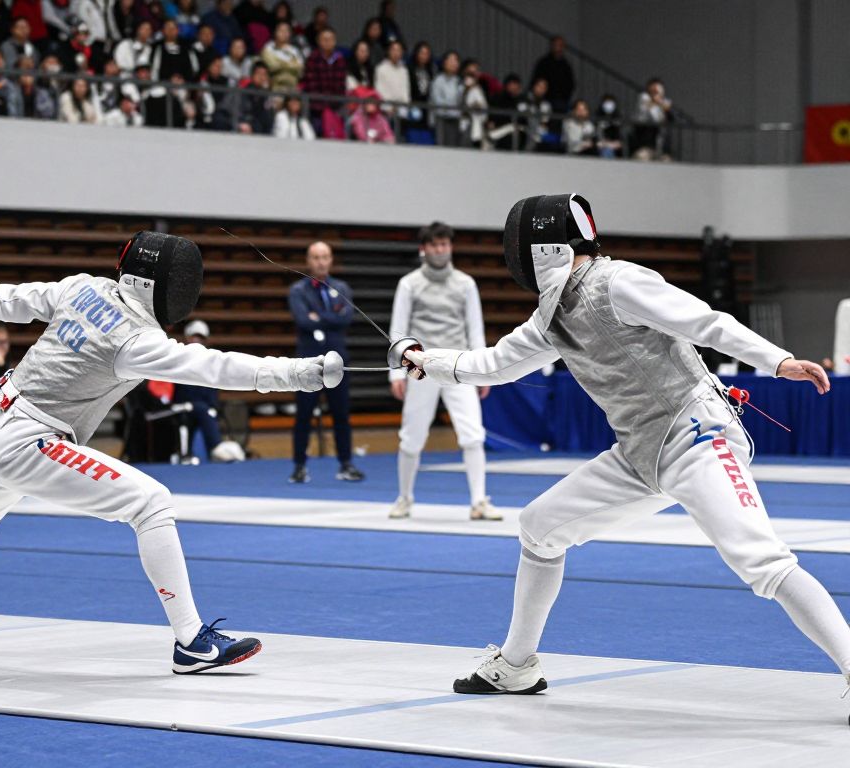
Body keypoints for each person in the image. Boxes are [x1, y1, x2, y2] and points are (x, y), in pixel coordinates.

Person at [400, 195, 850, 716]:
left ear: (539, 247)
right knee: (540, 526)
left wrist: (778, 362)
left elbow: (704, 322)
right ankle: (518, 664)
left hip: (697, 434)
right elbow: (494, 364)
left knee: (762, 562)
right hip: (640, 453)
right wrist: (423, 359)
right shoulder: (553, 316)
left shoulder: (618, 283)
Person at [0, 231, 339, 675]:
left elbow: (10, 299)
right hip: (30, 439)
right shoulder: (136, 340)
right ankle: (192, 643)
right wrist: (298, 373)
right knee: (151, 502)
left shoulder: (83, 288)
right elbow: (217, 368)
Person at [388, 222, 496, 521]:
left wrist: (482, 372)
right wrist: (396, 373)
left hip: (459, 367)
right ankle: (404, 498)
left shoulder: (465, 284)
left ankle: (479, 502)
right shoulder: (410, 283)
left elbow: (475, 329)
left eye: (444, 244)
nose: (440, 249)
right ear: (425, 248)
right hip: (420, 368)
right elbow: (398, 330)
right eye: (435, 245)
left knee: (473, 435)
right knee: (411, 436)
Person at [288, 241, 363, 484]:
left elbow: (345, 319)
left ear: (331, 260)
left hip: (337, 361)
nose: (321, 262)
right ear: (308, 261)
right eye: (316, 257)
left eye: (325, 257)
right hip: (308, 361)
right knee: (304, 415)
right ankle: (299, 466)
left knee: (341, 414)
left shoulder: (342, 288)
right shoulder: (298, 290)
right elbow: (303, 321)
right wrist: (330, 318)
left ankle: (346, 463)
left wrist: (318, 317)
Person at [171, 319, 225, 459]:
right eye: (194, 336)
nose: (196, 340)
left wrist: (213, 407)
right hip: (180, 406)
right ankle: (216, 447)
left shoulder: (211, 362)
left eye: (200, 337)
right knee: (202, 409)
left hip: (202, 409)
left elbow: (213, 391)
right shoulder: (176, 359)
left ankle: (213, 451)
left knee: (205, 410)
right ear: (187, 338)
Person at [299, 25, 345, 128]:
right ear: (318, 41)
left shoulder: (340, 59)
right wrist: (323, 106)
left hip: (335, 107)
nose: (328, 42)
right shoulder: (312, 58)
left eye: (331, 39)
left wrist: (334, 105)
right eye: (324, 39)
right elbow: (311, 85)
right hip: (316, 107)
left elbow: (341, 85)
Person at [529, 34, 573, 114]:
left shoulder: (566, 65)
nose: (558, 48)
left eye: (561, 45)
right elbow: (537, 79)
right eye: (556, 45)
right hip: (545, 98)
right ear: (551, 46)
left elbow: (571, 83)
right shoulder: (543, 62)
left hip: (562, 100)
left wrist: (565, 96)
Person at [631, 77, 672, 161]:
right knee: (641, 157)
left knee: (667, 161)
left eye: (659, 91)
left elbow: (673, 119)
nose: (656, 94)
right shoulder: (644, 99)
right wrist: (655, 102)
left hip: (661, 148)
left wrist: (666, 108)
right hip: (646, 146)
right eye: (654, 91)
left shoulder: (665, 104)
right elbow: (643, 115)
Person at [429, 50, 462, 147]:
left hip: (456, 119)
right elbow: (438, 102)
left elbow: (461, 101)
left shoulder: (459, 81)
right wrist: (453, 106)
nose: (453, 63)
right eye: (451, 60)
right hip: (441, 119)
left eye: (456, 61)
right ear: (444, 63)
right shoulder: (438, 80)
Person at [260, 20, 301, 92]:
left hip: (293, 88)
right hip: (274, 88)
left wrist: (281, 64)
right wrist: (291, 64)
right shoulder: (268, 48)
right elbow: (273, 66)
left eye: (286, 31)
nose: (284, 33)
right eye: (281, 30)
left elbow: (300, 69)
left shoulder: (295, 51)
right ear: (275, 32)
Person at [487, 73, 525, 151]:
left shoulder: (522, 100)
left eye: (516, 84)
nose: (514, 87)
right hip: (499, 132)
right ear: (507, 85)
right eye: (512, 84)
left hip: (517, 135)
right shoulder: (498, 98)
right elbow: (493, 116)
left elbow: (523, 119)